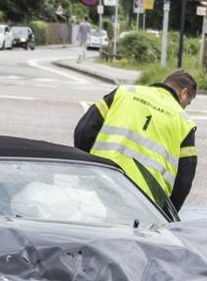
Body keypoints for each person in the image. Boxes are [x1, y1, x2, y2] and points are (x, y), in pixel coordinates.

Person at [73, 69, 198, 211]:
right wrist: (167, 213)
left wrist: (88, 172)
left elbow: (84, 131)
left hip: (101, 183)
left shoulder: (124, 93)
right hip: (145, 203)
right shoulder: (184, 122)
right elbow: (184, 179)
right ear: (184, 94)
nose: (184, 108)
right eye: (187, 103)